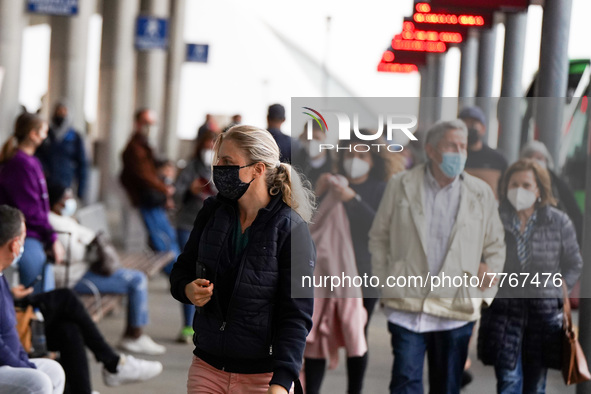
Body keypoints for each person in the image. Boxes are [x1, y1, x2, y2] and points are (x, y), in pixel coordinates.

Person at [170, 125, 315, 393]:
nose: (218, 169)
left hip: (263, 376)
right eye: (218, 161)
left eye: (228, 162)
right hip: (207, 366)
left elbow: (296, 315)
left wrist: (282, 382)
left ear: (258, 169)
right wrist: (187, 289)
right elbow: (181, 270)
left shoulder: (291, 229)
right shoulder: (212, 212)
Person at [369, 119, 506, 394]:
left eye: (463, 146)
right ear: (431, 150)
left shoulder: (480, 193)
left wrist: (484, 288)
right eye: (451, 146)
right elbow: (378, 236)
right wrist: (385, 281)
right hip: (407, 304)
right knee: (405, 382)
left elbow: (495, 245)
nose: (459, 152)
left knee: (447, 386)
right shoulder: (401, 184)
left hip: (456, 308)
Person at [304, 134, 401, 394]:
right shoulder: (332, 184)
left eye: (361, 156)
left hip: (365, 274)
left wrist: (352, 199)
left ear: (373, 160)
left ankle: (354, 390)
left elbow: (381, 227)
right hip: (326, 273)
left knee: (357, 331)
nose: (354, 161)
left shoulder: (383, 189)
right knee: (318, 330)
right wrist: (319, 192)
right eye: (349, 155)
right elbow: (307, 222)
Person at [478, 159, 583, 394]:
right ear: (505, 187)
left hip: (543, 319)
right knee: (508, 382)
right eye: (513, 184)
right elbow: (478, 254)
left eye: (526, 184)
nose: (519, 190)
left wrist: (559, 288)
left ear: (539, 190)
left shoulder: (558, 221)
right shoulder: (494, 218)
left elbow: (574, 262)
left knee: (535, 386)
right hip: (503, 315)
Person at [47, 181, 166, 355]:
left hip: (84, 269)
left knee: (136, 276)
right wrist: (87, 243)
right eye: (66, 197)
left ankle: (134, 334)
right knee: (136, 280)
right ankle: (134, 337)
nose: (70, 200)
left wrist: (86, 242)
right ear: (56, 201)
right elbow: (77, 253)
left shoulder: (62, 219)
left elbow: (88, 238)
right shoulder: (55, 223)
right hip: (75, 277)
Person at [120, 108, 189, 340]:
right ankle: (184, 287)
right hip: (148, 204)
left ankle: (184, 286)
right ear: (138, 122)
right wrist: (164, 188)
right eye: (147, 122)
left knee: (171, 253)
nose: (150, 127)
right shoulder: (135, 147)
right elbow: (143, 175)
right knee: (170, 254)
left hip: (152, 204)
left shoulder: (142, 145)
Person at [0, 205, 66, 394]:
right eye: (23, 239)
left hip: (8, 365)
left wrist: (25, 362)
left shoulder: (1, 276)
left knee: (54, 370)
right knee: (39, 382)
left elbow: (9, 333)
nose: (23, 246)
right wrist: (22, 366)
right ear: (14, 245)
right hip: (3, 365)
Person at [0, 112, 65, 293]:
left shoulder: (30, 161)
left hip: (33, 232)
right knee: (37, 291)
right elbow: (30, 210)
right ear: (32, 134)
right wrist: (52, 238)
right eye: (43, 131)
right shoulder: (20, 164)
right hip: (24, 235)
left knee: (45, 286)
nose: (46, 136)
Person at [173, 129, 217, 343]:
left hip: (212, 227)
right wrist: (189, 189)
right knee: (190, 273)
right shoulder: (190, 168)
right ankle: (187, 325)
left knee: (209, 276)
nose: (209, 149)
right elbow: (176, 193)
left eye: (213, 145)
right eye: (206, 144)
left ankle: (204, 323)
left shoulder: (221, 168)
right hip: (187, 224)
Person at [520, 140, 583, 245]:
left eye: (539, 158)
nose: (534, 161)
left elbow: (574, 214)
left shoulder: (558, 184)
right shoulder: (514, 180)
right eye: (530, 156)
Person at [35, 102, 89, 200]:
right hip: (46, 183)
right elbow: (37, 154)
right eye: (58, 112)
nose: (61, 115)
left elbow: (82, 164)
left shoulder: (75, 137)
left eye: (64, 112)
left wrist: (81, 190)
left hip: (65, 183)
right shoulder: (46, 133)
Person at [459, 106, 508, 199]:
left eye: (473, 124)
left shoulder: (498, 160)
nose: (468, 128)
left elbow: (504, 191)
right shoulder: (454, 156)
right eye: (465, 124)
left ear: (483, 129)